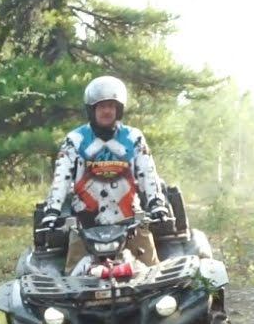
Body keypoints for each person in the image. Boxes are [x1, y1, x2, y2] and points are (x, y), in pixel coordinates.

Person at [38, 75, 170, 273]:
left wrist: (157, 204)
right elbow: (62, 177)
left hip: (131, 222)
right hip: (84, 225)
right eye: (101, 106)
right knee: (72, 279)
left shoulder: (134, 137)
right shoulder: (75, 140)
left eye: (111, 106)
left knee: (154, 274)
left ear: (119, 109)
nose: (107, 111)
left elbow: (147, 172)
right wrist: (52, 211)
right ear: (92, 110)